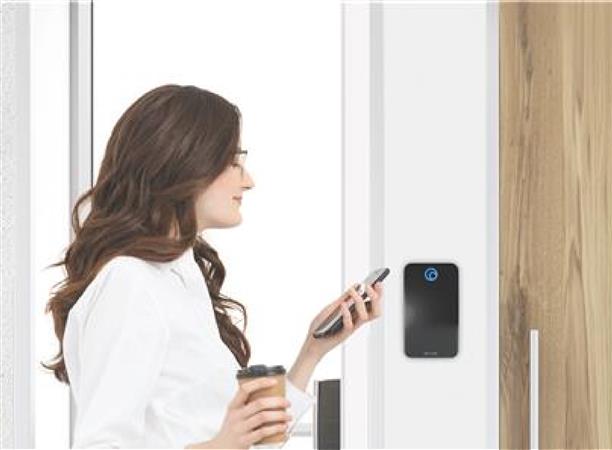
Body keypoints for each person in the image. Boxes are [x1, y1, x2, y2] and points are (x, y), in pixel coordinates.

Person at [42, 84, 384, 448]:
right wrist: (221, 444)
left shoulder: (180, 278)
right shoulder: (129, 281)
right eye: (234, 161)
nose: (248, 181)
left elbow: (250, 442)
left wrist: (312, 351)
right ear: (183, 161)